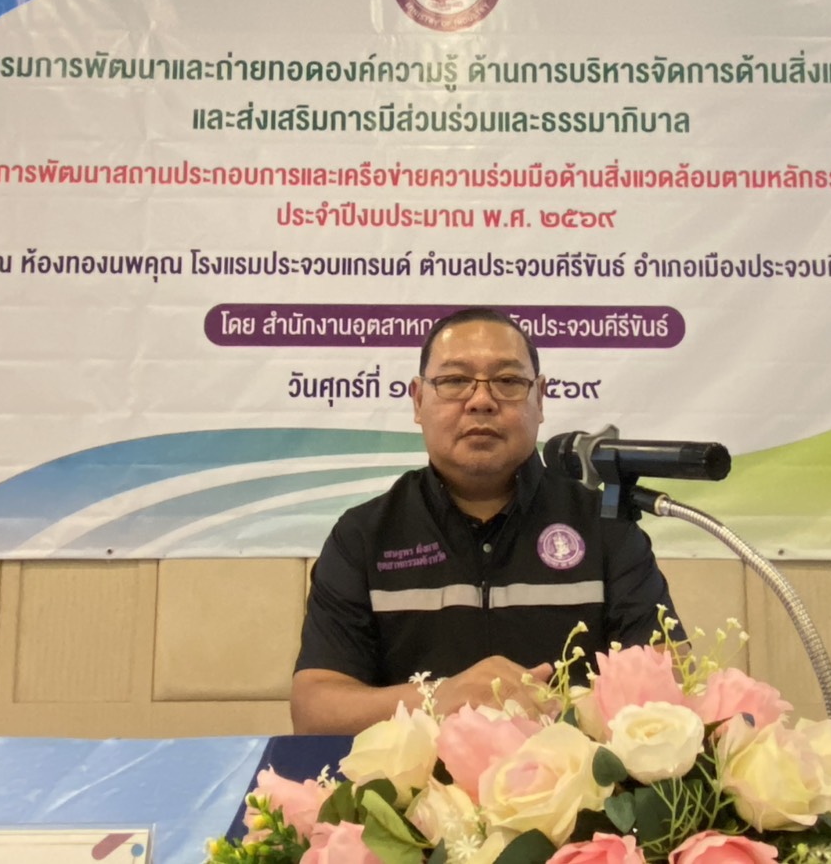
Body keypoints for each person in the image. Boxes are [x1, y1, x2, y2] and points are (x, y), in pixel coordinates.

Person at [290, 307, 678, 735]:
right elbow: (315, 710)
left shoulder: (605, 526)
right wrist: (440, 699)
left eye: (508, 381)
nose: (481, 401)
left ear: (540, 399)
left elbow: (670, 681)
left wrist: (558, 716)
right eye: (455, 380)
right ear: (418, 400)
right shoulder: (364, 536)